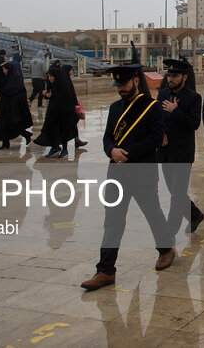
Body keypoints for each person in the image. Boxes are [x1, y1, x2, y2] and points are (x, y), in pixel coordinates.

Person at [81, 64, 173, 291]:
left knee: (152, 213)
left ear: (135, 81)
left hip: (142, 171)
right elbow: (107, 138)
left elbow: (155, 139)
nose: (120, 89)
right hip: (117, 172)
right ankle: (105, 270)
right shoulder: (114, 109)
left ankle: (166, 249)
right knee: (112, 221)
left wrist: (127, 154)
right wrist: (111, 150)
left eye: (124, 84)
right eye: (118, 85)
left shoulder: (152, 108)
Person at [157, 58, 204, 234]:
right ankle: (195, 214)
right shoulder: (163, 94)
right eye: (169, 75)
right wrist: (160, 135)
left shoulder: (193, 98)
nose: (171, 79)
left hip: (182, 153)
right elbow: (157, 120)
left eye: (175, 75)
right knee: (175, 192)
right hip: (165, 152)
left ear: (184, 77)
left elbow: (194, 124)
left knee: (177, 196)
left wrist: (175, 111)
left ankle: (168, 235)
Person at [34, 64, 81, 158]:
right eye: (48, 76)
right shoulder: (52, 85)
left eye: (51, 76)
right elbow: (50, 96)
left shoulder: (63, 85)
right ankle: (54, 147)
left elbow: (66, 97)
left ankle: (65, 149)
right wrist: (46, 95)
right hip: (53, 111)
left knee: (63, 130)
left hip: (63, 111)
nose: (50, 78)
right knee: (52, 129)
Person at [0, 55, 33, 149]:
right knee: (3, 125)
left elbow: (21, 95)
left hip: (14, 108)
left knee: (15, 125)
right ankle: (5, 144)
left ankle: (27, 135)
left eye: (6, 69)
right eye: (3, 69)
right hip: (5, 106)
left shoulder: (17, 80)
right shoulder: (5, 80)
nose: (4, 71)